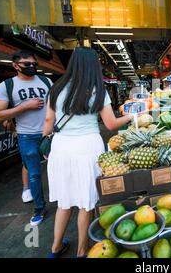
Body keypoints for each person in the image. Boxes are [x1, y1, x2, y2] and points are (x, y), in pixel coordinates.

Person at [43, 47, 133, 258]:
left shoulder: (56, 88)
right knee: (86, 202)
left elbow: (48, 123)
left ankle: (55, 248)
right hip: (87, 148)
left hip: (61, 147)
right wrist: (131, 116)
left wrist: (47, 136)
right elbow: (111, 124)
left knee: (64, 201)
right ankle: (82, 251)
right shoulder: (97, 89)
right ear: (94, 66)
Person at [0, 50, 52, 226]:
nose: (32, 67)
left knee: (60, 168)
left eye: (34, 64)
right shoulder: (7, 85)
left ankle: (67, 202)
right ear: (16, 65)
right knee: (34, 174)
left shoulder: (46, 81)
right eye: (27, 64)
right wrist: (24, 106)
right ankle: (39, 210)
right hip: (27, 136)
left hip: (50, 134)